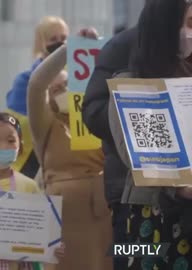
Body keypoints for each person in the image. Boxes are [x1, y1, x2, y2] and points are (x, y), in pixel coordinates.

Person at [108, 0, 192, 268]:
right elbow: (140, 159)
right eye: (190, 24)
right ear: (166, 28)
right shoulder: (133, 86)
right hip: (152, 218)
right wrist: (179, 188)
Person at [26, 29, 113, 270]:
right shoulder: (44, 125)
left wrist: (93, 52)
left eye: (67, 85)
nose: (61, 91)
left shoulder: (96, 116)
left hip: (104, 212)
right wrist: (69, 49)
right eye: (55, 89)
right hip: (62, 215)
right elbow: (36, 85)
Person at [0, 112, 65, 270]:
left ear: (20, 148)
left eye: (11, 140)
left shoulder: (29, 186)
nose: (3, 146)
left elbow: (42, 231)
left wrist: (53, 245)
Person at [81, 24, 138, 270]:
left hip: (184, 198)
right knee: (139, 256)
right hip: (131, 195)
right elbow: (93, 111)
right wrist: (135, 110)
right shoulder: (124, 46)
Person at [6, 16, 70, 180]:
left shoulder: (77, 77)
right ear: (41, 42)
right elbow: (17, 124)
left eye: (63, 38)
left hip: (68, 159)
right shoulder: (25, 81)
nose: (59, 42)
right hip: (32, 159)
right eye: (53, 38)